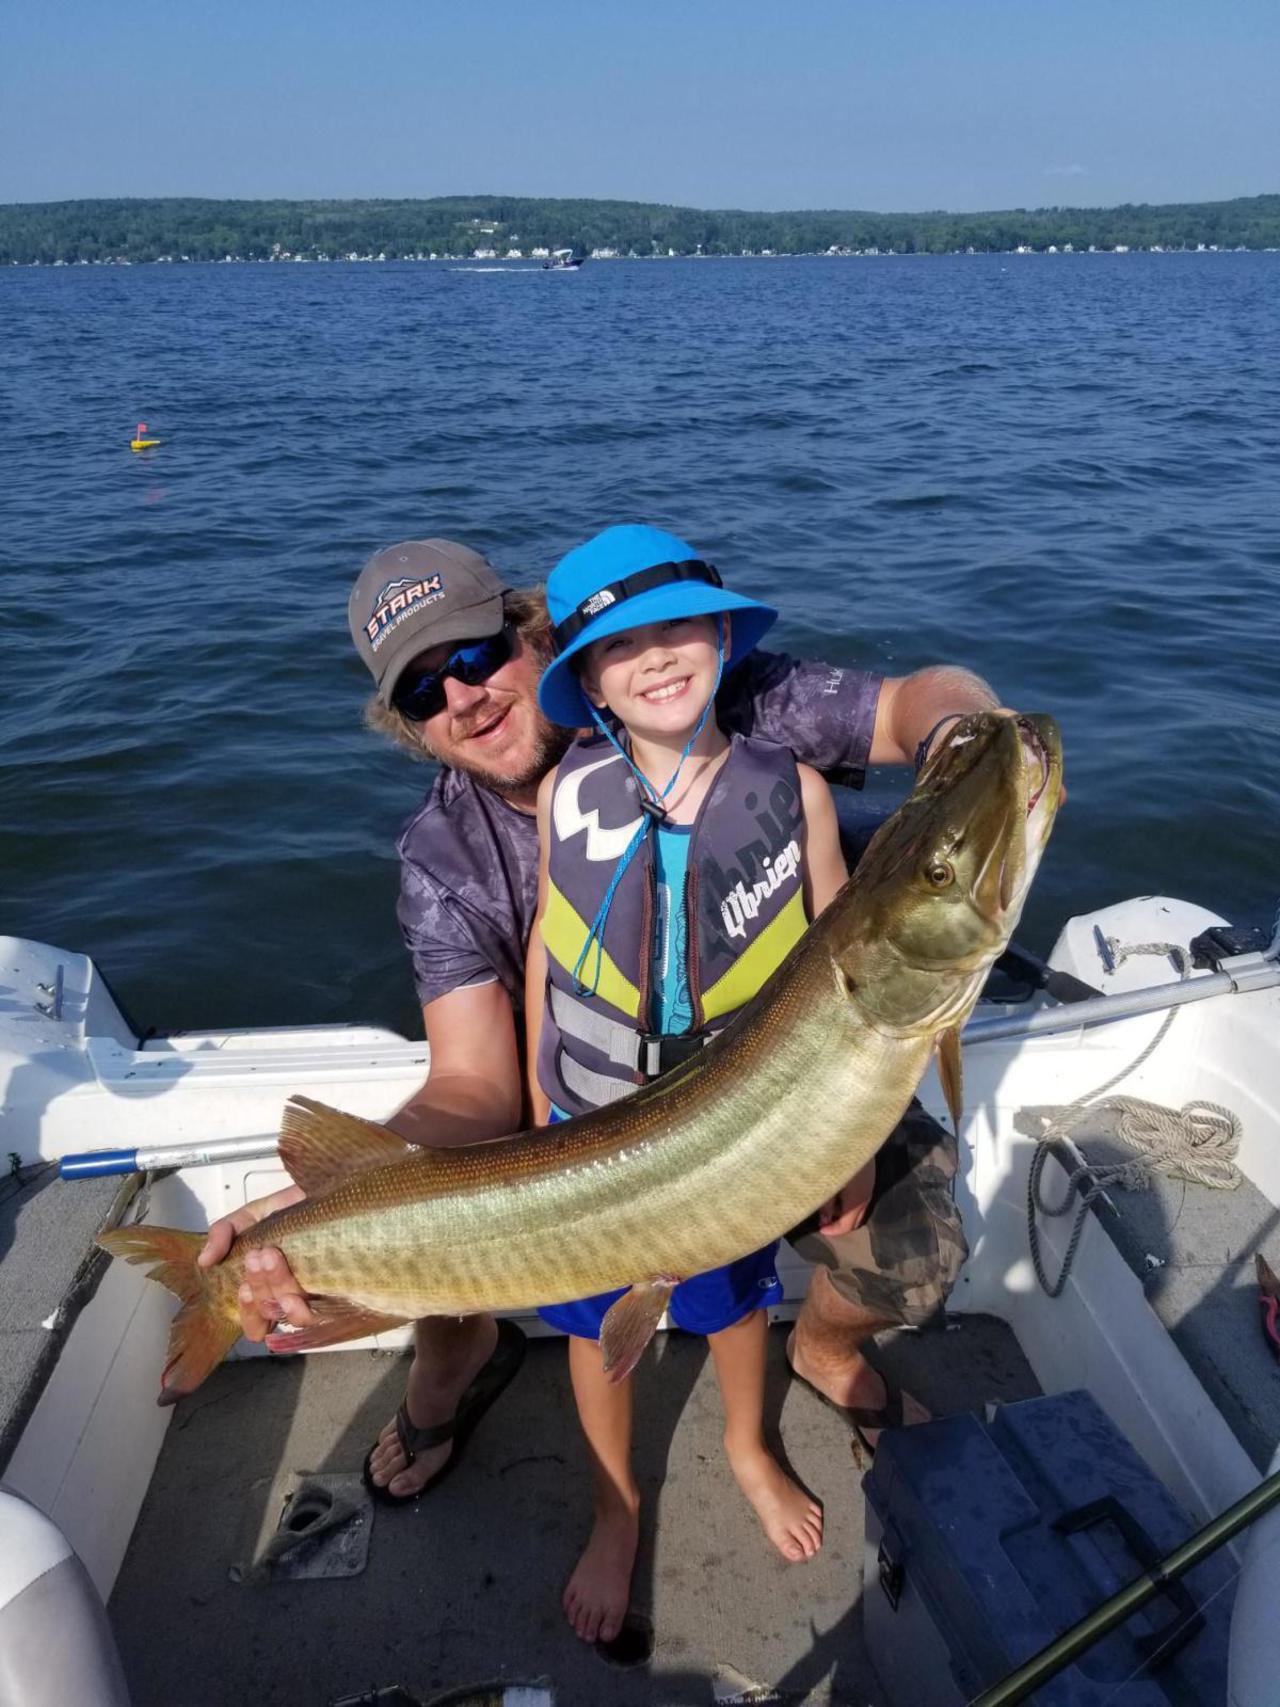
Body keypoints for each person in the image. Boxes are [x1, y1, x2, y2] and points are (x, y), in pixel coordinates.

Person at [197, 528, 992, 1630]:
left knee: (856, 1263)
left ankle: (815, 1360)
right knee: (474, 1272)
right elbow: (473, 1079)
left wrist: (969, 743)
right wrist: (347, 1194)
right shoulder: (444, 857)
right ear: (409, 725)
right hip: (587, 1125)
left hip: (780, 1085)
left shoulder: (700, 685)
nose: (463, 697)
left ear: (533, 637)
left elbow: (913, 705)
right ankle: (492, 1408)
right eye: (424, 691)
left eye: (474, 656)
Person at [522, 528, 849, 1633]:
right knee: (590, 1322)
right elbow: (547, 951)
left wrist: (844, 1144)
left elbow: (842, 982)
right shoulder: (560, 796)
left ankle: (748, 1446)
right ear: (589, 685)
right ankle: (615, 1505)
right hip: (588, 1121)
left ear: (720, 635)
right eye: (620, 647)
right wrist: (534, 1100)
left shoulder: (795, 792)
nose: (655, 657)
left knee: (733, 1301)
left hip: (736, 1128)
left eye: (675, 630)